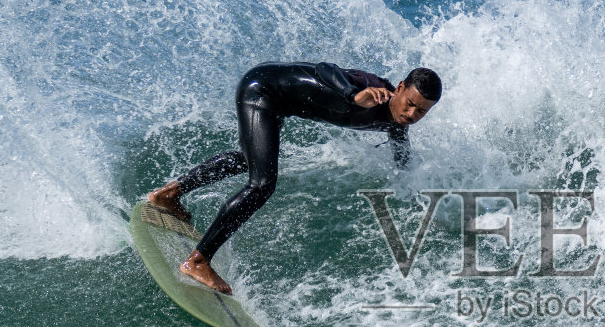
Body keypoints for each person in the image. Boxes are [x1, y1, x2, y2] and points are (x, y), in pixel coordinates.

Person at [146, 61, 441, 294]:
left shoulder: (398, 127)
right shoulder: (372, 89)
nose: (413, 113)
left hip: (278, 105)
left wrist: (416, 196)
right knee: (262, 185)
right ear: (400, 87)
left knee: (245, 158)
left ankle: (168, 194)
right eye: (411, 103)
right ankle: (198, 261)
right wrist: (353, 95)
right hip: (262, 89)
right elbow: (326, 69)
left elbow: (404, 167)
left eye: (422, 111)